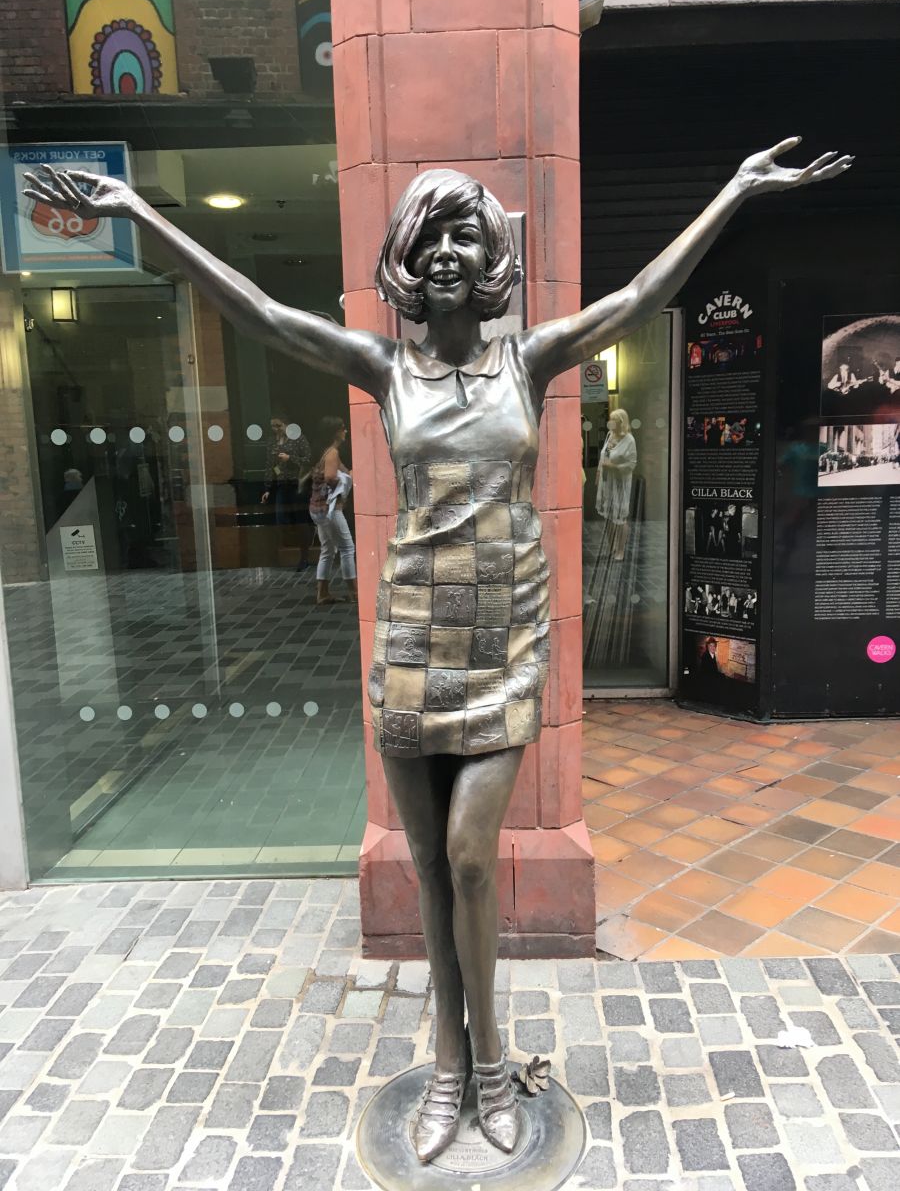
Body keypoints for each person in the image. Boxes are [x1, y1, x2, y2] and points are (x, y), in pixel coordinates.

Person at [24, 135, 851, 1165]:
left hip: (504, 634)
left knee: (468, 855)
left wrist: (731, 189)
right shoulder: (384, 368)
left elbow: (641, 296)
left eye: (465, 233)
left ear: (489, 253)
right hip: (414, 633)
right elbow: (263, 313)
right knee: (425, 864)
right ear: (409, 260)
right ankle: (449, 1060)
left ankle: (493, 1062)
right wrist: (141, 216)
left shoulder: (529, 360)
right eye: (430, 237)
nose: (448, 251)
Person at [308, 417, 357, 606]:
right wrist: (343, 482)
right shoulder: (332, 453)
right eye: (343, 428)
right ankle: (354, 592)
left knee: (327, 549)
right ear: (335, 432)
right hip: (331, 509)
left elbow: (344, 471)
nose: (346, 431)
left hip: (318, 509)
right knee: (347, 548)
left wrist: (348, 474)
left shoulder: (326, 452)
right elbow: (330, 476)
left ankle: (322, 593)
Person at [260, 417, 314, 570]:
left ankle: (304, 557)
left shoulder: (298, 438)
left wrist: (290, 458)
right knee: (281, 519)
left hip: (297, 484)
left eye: (279, 425)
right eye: (273, 426)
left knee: (300, 520)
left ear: (286, 424)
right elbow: (269, 465)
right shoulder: (272, 442)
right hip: (282, 484)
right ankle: (296, 546)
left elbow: (308, 460)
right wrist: (267, 488)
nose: (276, 429)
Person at [595, 408, 637, 560]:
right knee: (609, 517)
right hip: (607, 482)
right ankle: (612, 546)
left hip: (620, 483)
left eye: (614, 420)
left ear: (621, 422)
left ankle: (620, 550)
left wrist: (614, 467)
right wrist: (598, 473)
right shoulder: (610, 435)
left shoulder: (629, 440)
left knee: (620, 517)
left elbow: (632, 464)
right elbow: (603, 456)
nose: (610, 422)